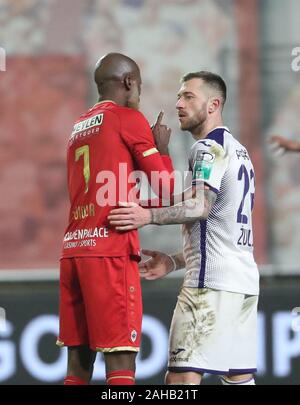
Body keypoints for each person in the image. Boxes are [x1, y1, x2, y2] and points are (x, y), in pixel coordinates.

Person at [108, 71, 260, 385]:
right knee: (239, 378)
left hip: (210, 284)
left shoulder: (207, 148)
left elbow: (198, 208)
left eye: (189, 96)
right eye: (179, 96)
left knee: (181, 377)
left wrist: (144, 217)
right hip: (242, 283)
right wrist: (175, 261)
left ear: (213, 104)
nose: (179, 103)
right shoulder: (237, 151)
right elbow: (213, 217)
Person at [57, 52, 174, 385]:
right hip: (108, 252)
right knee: (120, 360)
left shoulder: (78, 127)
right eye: (139, 87)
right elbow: (166, 188)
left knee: (78, 365)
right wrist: (161, 147)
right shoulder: (128, 119)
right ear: (128, 82)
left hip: (73, 251)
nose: (139, 96)